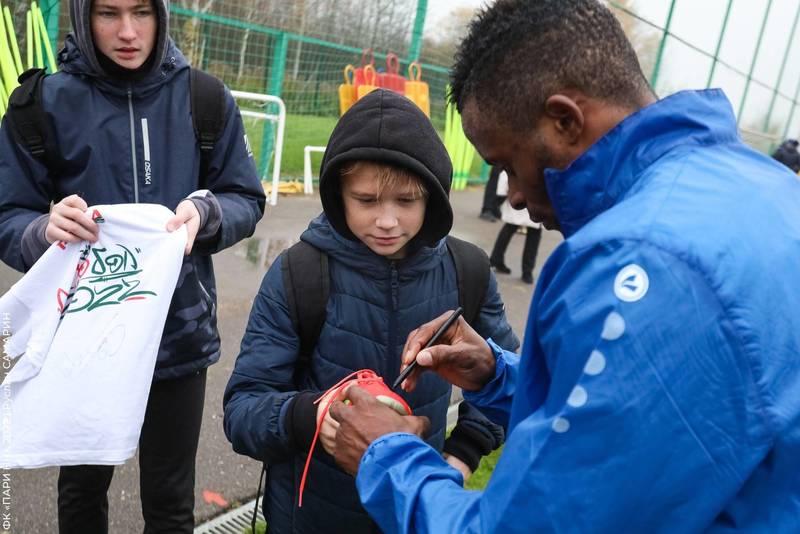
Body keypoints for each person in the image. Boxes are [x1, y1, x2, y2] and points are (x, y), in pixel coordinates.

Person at [326, 0, 800, 532]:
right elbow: (649, 421)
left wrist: (385, 456)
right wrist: (499, 376)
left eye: (509, 166)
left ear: (564, 120)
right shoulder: (765, 186)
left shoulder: (640, 263)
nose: (518, 197)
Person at [0, 0, 265, 532]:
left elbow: (244, 196)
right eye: (108, 13)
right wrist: (41, 230)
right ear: (82, 15)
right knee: (80, 491)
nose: (127, 32)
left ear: (161, 14)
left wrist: (208, 213)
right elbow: (9, 212)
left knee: (169, 501)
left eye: (141, 12)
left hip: (179, 334)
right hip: (83, 340)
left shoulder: (204, 98)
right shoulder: (41, 105)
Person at [222, 89, 518, 533]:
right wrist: (312, 418)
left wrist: (461, 458)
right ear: (338, 194)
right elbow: (243, 408)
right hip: (309, 517)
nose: (386, 221)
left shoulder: (468, 271)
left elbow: (503, 377)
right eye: (366, 200)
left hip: (412, 508)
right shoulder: (299, 272)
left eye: (406, 201)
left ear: (433, 199)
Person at [489, 169, 542, 284]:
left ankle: (497, 259)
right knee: (526, 229)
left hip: (528, 188)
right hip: (524, 188)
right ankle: (526, 271)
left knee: (523, 228)